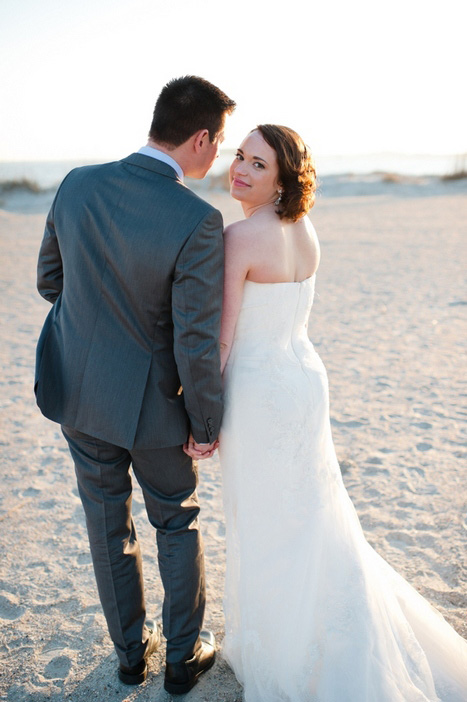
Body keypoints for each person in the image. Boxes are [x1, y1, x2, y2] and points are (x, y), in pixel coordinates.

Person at [218, 124, 467, 701]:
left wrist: (200, 411)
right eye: (239, 156)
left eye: (258, 164)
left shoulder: (239, 237)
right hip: (304, 379)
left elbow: (224, 338)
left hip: (258, 390)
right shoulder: (305, 230)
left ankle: (284, 645)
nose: (241, 170)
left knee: (265, 519)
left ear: (281, 179)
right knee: (311, 515)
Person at [35, 75, 235, 695]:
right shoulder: (198, 220)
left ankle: (129, 655)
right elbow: (194, 341)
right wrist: (206, 425)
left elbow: (49, 280)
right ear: (200, 138)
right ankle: (181, 659)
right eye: (220, 141)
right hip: (154, 409)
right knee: (175, 520)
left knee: (105, 523)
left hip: (79, 393)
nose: (219, 154)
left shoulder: (77, 183)